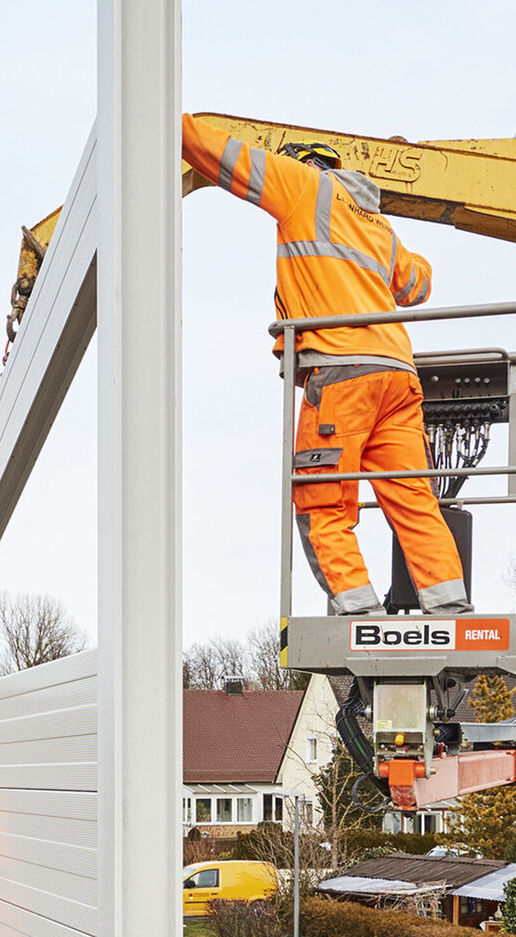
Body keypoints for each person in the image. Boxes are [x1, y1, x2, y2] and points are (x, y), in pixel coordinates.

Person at [179, 115, 470, 617]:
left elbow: (220, 153)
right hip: (398, 375)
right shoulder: (376, 223)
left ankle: (357, 612)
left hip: (341, 373)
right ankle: (449, 606)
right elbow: (418, 285)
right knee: (413, 499)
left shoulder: (302, 185)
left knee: (322, 501)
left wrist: (163, 113)